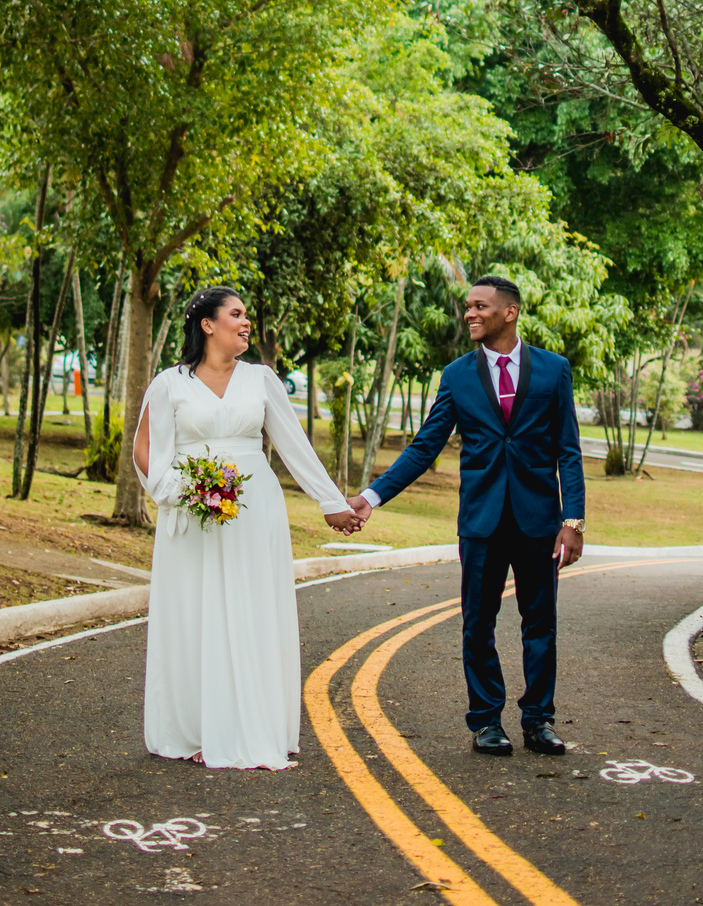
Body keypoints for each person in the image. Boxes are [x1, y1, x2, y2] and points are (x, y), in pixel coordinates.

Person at [349, 275, 584, 758]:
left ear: (510, 312)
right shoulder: (456, 375)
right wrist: (372, 496)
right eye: (467, 307)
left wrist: (573, 521)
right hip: (480, 522)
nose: (469, 314)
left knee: (540, 624)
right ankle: (485, 721)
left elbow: (569, 451)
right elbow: (424, 447)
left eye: (480, 306)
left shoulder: (554, 369)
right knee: (478, 624)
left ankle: (539, 720)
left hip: (539, 519)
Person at [133, 287, 363, 770]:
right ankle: (195, 728)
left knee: (251, 608)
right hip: (192, 512)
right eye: (235, 314)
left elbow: (293, 444)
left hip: (254, 509)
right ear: (207, 324)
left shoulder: (261, 379)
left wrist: (331, 503)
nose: (245, 322)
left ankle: (250, 728)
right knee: (196, 613)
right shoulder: (169, 384)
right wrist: (180, 490)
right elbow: (147, 449)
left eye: (246, 316)